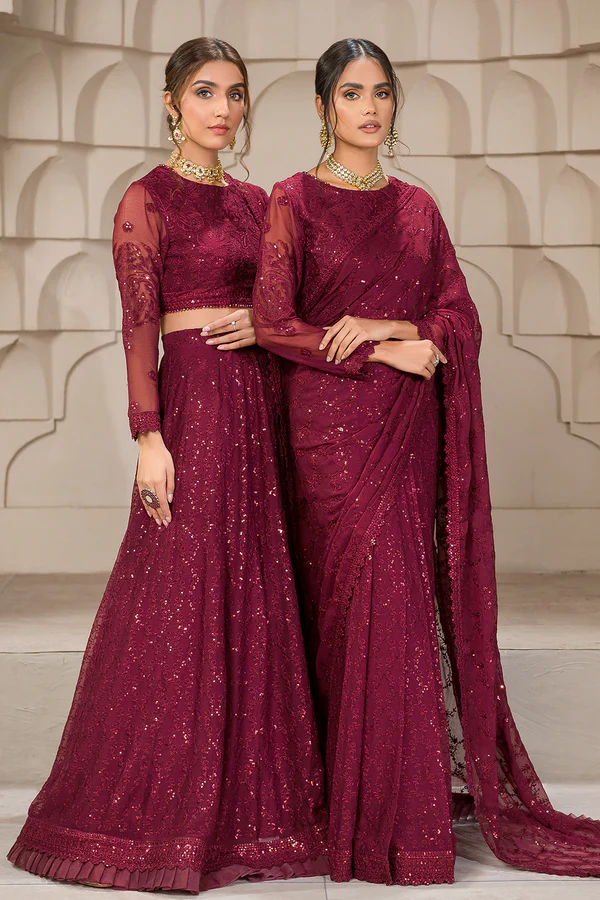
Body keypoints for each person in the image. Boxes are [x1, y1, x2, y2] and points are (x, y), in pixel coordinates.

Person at [252, 37, 600, 887]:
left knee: (397, 608)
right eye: (351, 93)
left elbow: (459, 316)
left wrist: (397, 329)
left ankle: (398, 825)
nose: (369, 107)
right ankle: (338, 807)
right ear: (324, 106)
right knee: (338, 608)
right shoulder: (292, 199)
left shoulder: (416, 208)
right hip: (328, 431)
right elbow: (273, 322)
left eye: (381, 92)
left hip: (402, 428)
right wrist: (379, 353)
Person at [8, 37, 327, 893]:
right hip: (193, 405)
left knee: (259, 581)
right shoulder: (145, 198)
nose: (223, 109)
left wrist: (264, 327)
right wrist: (148, 436)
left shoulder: (260, 202)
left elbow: (288, 307)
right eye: (205, 92)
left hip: (260, 403)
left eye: (235, 93)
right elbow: (138, 324)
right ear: (171, 104)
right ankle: (165, 809)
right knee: (183, 587)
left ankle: (259, 808)